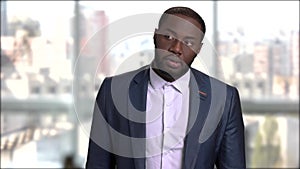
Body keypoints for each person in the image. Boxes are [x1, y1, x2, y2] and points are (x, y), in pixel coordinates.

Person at [86, 6, 246, 169]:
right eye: (169, 36)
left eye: (188, 42)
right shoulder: (113, 90)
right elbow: (97, 164)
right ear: (155, 36)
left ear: (198, 49)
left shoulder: (224, 98)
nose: (176, 48)